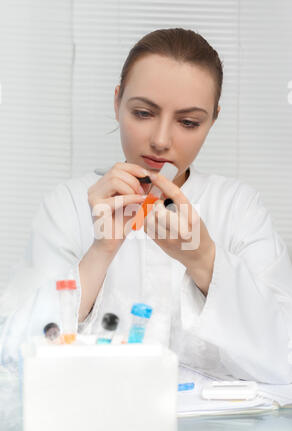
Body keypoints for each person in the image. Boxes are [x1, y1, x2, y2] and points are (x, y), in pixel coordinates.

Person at [1, 28, 292, 383]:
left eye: (188, 122)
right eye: (143, 113)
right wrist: (101, 251)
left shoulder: (238, 208)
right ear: (117, 102)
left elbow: (285, 358)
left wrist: (204, 260)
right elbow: (15, 352)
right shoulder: (68, 205)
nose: (160, 140)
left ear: (212, 120)